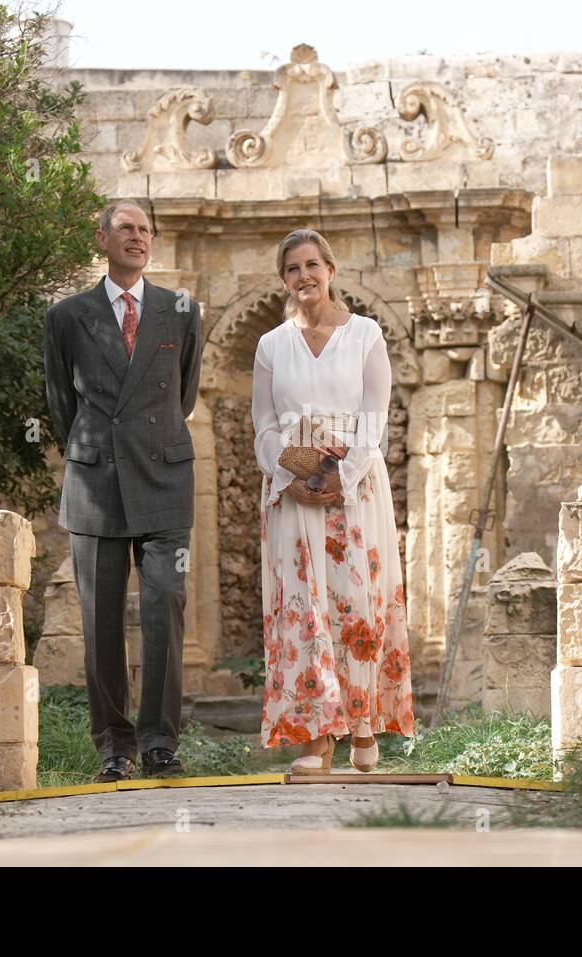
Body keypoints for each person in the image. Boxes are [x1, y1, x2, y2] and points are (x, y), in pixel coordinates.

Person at [43, 200, 204, 781]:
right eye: (126, 229)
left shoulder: (182, 310)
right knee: (101, 621)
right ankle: (115, 747)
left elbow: (183, 395)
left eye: (145, 230)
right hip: (95, 482)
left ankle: (160, 741)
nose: (137, 238)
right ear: (102, 239)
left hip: (164, 474)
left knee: (165, 607)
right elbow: (63, 404)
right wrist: (97, 448)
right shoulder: (66, 316)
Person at [250, 228, 415, 774]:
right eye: (293, 268)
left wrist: (339, 477)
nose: (304, 276)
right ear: (284, 280)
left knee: (357, 601)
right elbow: (264, 423)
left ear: (331, 269)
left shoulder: (365, 334)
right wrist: (288, 474)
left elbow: (374, 417)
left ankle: (364, 725)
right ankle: (316, 741)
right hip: (292, 490)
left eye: (312, 265)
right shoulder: (271, 345)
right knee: (304, 606)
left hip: (356, 486)